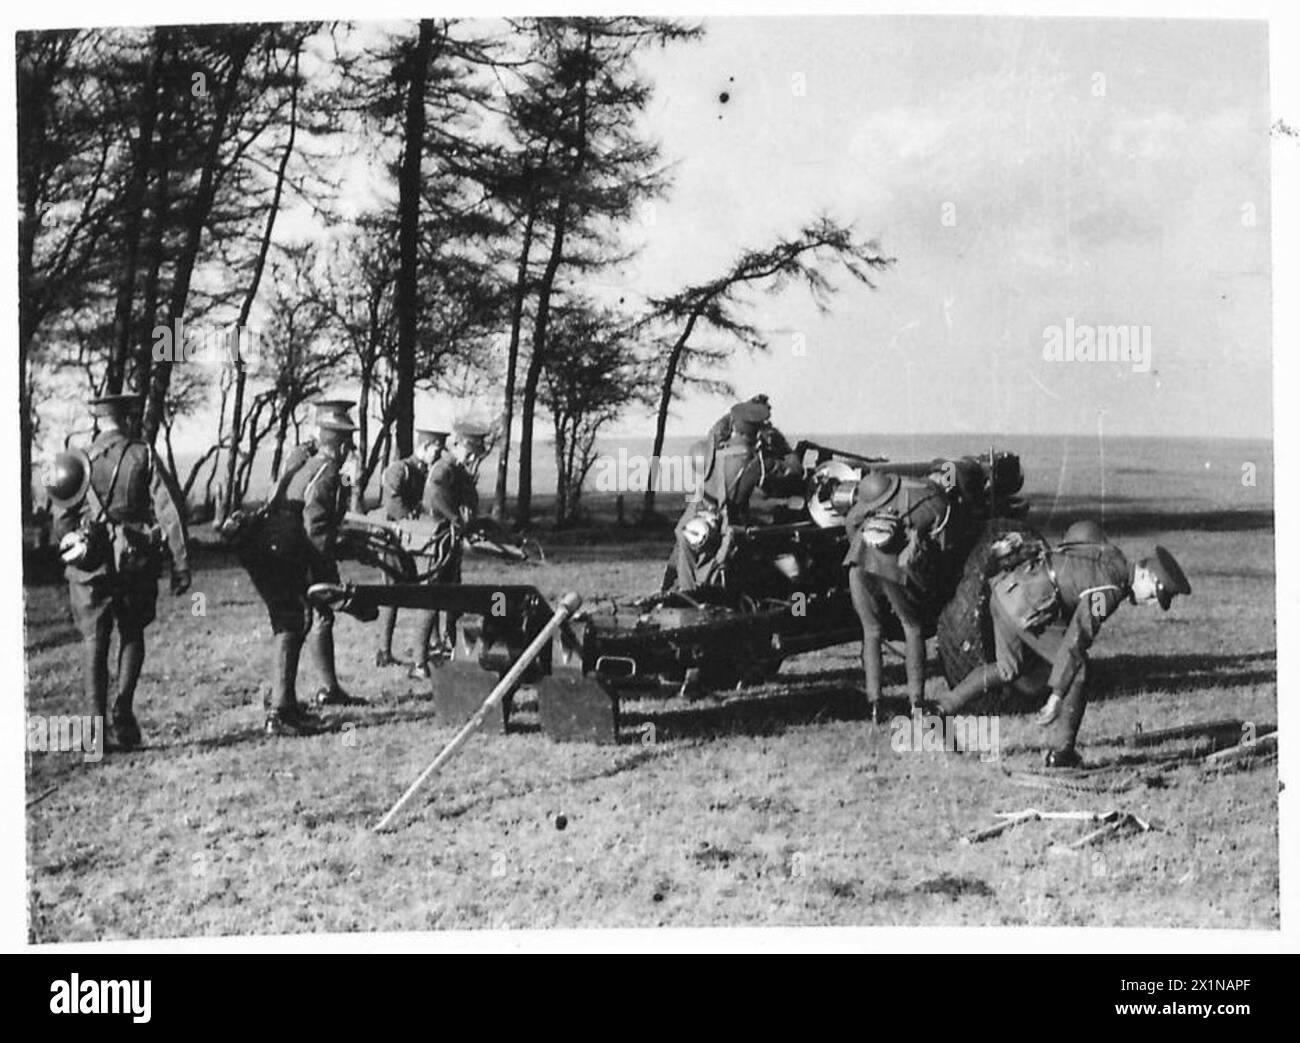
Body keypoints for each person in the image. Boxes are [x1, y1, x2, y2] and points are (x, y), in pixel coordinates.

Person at [936, 520, 1191, 766]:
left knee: (1009, 669)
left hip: (1004, 591)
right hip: (1026, 606)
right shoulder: (1110, 589)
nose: (1151, 603)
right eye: (1155, 595)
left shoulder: (1110, 553)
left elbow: (1076, 536)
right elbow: (1077, 637)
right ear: (1145, 575)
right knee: (1080, 669)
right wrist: (1057, 695)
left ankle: (940, 710)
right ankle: (1062, 754)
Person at [46, 393, 190, 750]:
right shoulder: (143, 454)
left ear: (97, 420)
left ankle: (94, 731)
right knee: (132, 633)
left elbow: (60, 521)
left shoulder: (75, 461)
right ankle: (123, 716)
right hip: (134, 561)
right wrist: (181, 562)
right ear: (126, 419)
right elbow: (169, 510)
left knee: (94, 641)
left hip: (89, 566)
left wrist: (76, 542)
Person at [243, 416, 365, 736]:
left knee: (293, 622)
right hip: (281, 548)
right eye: (347, 445)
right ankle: (280, 713)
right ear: (338, 446)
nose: (349, 451)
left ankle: (285, 701)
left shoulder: (304, 464)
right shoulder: (326, 472)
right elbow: (317, 530)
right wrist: (331, 583)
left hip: (268, 544)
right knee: (291, 622)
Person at [843, 468, 955, 721]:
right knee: (912, 627)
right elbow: (942, 545)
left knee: (871, 632)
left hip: (858, 565)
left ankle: (875, 704)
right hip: (891, 570)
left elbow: (851, 526)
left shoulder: (864, 504)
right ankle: (916, 701)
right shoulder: (932, 502)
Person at [669, 399, 801, 592]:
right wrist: (781, 444)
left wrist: (746, 407)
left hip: (699, 511)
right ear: (757, 432)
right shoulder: (758, 462)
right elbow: (795, 471)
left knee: (682, 540)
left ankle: (681, 591)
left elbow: (720, 425)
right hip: (728, 522)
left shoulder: (713, 447)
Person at [410, 421, 489, 678]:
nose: (472, 458)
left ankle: (452, 649)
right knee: (431, 599)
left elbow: (469, 500)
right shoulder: (444, 467)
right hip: (435, 539)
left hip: (449, 540)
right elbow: (434, 496)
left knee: (453, 597)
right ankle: (419, 663)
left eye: (475, 455)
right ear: (458, 446)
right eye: (470, 453)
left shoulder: (460, 470)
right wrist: (456, 519)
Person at [374, 429, 448, 667]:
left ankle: (434, 643)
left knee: (428, 587)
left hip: (417, 539)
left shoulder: (429, 472)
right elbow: (392, 502)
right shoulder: (399, 469)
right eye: (435, 450)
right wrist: (412, 521)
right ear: (424, 447)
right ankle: (383, 651)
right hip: (393, 538)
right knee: (391, 592)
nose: (437, 456)